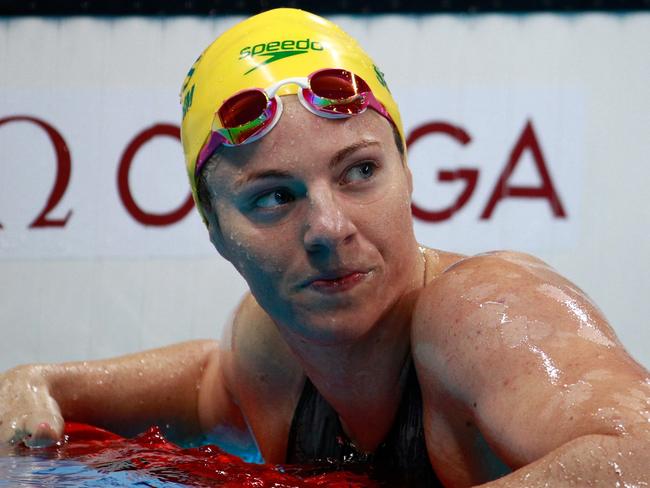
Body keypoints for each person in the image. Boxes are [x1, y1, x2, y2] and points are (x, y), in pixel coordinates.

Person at [1, 8, 648, 487]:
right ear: (216, 230)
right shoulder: (272, 351)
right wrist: (38, 380)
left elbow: (639, 448)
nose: (329, 227)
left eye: (359, 172)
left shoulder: (485, 312)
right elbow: (204, 383)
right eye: (274, 197)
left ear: (407, 172)